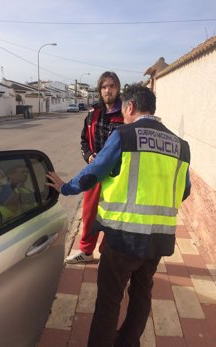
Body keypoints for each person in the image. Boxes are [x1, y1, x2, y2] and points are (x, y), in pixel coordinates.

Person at [46, 83, 191, 347]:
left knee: (109, 300)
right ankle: (127, 342)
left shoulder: (125, 135)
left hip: (123, 238)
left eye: (124, 110)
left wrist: (66, 187)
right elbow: (185, 190)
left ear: (130, 107)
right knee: (141, 294)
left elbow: (94, 172)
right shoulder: (181, 145)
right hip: (158, 239)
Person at [65, 71, 124, 264]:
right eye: (104, 86)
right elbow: (83, 141)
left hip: (117, 175)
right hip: (95, 172)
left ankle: (108, 252)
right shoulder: (93, 113)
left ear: (118, 88)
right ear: (100, 89)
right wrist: (89, 155)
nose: (108, 90)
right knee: (89, 214)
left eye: (112, 86)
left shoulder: (126, 112)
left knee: (112, 216)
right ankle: (86, 251)